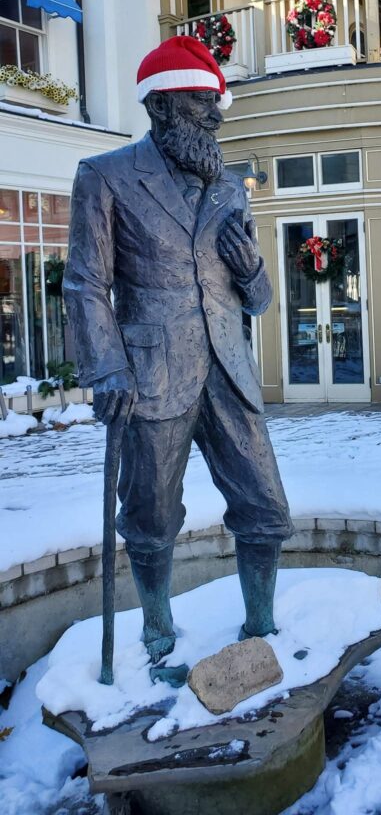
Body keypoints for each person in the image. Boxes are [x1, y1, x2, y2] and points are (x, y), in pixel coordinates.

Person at [64, 36, 293, 664]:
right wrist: (106, 368)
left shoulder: (230, 189)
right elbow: (86, 283)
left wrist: (252, 274)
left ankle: (261, 630)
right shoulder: (106, 177)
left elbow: (259, 300)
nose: (218, 115)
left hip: (229, 372)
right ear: (164, 106)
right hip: (150, 374)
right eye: (203, 101)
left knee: (267, 508)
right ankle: (157, 634)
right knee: (151, 516)